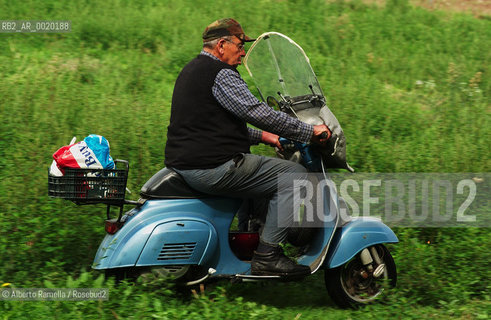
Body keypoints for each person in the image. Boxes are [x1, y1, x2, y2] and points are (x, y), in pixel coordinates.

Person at [164, 18, 331, 277]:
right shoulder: (221, 74)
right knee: (294, 177)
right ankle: (267, 256)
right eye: (240, 45)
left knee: (262, 176)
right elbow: (257, 112)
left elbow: (214, 126)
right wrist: (310, 132)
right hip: (212, 167)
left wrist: (267, 138)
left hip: (190, 163)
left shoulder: (192, 69)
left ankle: (251, 239)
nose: (243, 53)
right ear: (221, 45)